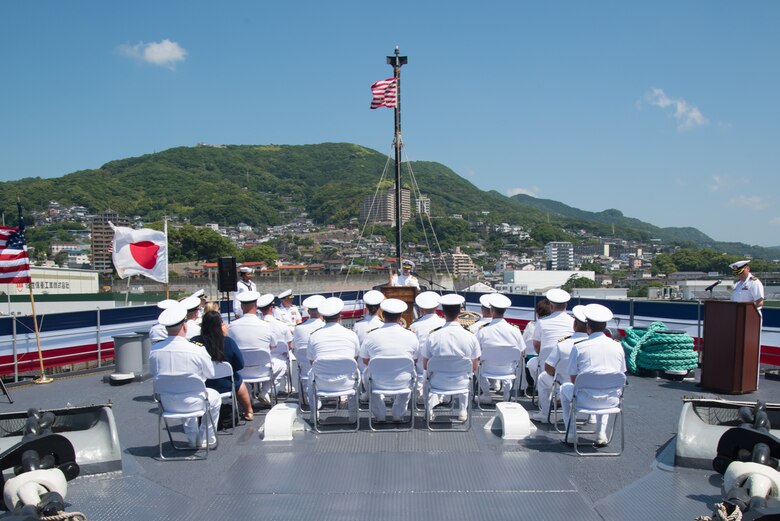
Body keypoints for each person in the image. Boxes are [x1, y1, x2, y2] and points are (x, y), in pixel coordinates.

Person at [150, 304, 220, 449]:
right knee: (214, 397)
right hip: (195, 401)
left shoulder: (154, 351)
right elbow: (211, 374)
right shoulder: (196, 349)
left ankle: (192, 438)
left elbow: (155, 375)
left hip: (167, 404)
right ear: (185, 326)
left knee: (179, 390)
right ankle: (207, 437)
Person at [560, 303, 627, 447]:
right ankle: (601, 433)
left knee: (564, 389)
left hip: (583, 401)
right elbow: (621, 375)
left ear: (588, 327)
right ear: (604, 326)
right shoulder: (618, 346)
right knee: (608, 388)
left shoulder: (579, 347)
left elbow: (573, 379)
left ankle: (571, 433)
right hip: (611, 401)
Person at [422, 293, 481, 422]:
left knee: (425, 376)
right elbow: (474, 366)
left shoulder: (433, 336)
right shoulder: (470, 337)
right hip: (462, 382)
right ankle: (462, 411)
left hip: (437, 382)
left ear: (443, 312)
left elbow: (426, 365)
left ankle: (429, 410)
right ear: (460, 312)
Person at [361, 298, 419, 422]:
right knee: (411, 373)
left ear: (383, 315)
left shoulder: (371, 336)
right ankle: (398, 412)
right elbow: (414, 360)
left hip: (377, 382)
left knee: (366, 373)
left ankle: (380, 413)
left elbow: (365, 361)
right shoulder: (411, 336)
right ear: (401, 316)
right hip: (402, 382)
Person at [192, 310, 254, 421]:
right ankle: (248, 410)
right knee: (238, 379)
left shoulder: (195, 341)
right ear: (220, 325)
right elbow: (240, 364)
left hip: (202, 385)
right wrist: (224, 336)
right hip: (226, 384)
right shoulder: (228, 342)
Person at [532, 305, 588, 423]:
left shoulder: (563, 344)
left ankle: (545, 414)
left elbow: (548, 367)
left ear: (574, 325)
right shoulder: (603, 346)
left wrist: (556, 376)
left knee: (542, 378)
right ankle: (597, 425)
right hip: (597, 393)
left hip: (566, 385)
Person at [227, 290, 284, 405]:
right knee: (282, 365)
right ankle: (265, 391)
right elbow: (274, 345)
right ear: (256, 305)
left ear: (242, 307)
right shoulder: (266, 326)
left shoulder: (231, 327)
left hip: (241, 370)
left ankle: (247, 396)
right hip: (263, 370)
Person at [307, 297, 360, 419]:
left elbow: (312, 362)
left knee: (311, 374)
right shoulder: (351, 335)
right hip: (347, 384)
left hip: (322, 384)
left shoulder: (314, 336)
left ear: (323, 316)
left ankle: (314, 414)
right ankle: (353, 415)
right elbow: (354, 360)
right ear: (340, 315)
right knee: (355, 371)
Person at [475, 293, 526, 403]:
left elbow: (475, 353)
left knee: (475, 363)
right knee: (513, 361)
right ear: (505, 311)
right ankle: (507, 394)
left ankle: (486, 394)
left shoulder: (482, 331)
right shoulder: (515, 331)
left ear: (491, 310)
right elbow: (522, 352)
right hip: (508, 370)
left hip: (487, 369)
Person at [527, 289, 574, 390]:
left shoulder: (541, 322)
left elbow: (536, 346)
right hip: (568, 366)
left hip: (546, 366)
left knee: (531, 364)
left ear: (551, 307)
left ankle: (543, 396)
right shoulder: (573, 321)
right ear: (566, 306)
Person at [410, 291, 446, 402]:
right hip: (443, 369)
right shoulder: (444, 323)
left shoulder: (414, 326)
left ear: (420, 309)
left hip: (421, 368)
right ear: (436, 307)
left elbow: (413, 350)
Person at [292, 294, 325, 401]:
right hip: (327, 374)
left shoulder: (299, 329)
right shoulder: (325, 327)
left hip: (306, 374)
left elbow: (294, 347)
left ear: (308, 312)